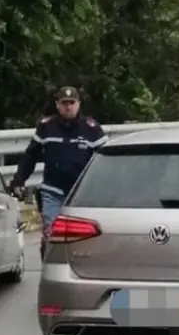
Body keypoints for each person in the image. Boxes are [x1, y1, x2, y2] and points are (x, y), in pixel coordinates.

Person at [9, 86, 106, 257]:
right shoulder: (46, 127)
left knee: (82, 235)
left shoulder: (91, 129)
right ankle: (50, 262)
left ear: (78, 104)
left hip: (81, 192)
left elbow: (104, 161)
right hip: (52, 191)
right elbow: (31, 155)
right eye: (64, 103)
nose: (68, 107)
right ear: (57, 105)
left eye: (71, 103)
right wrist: (19, 180)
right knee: (52, 232)